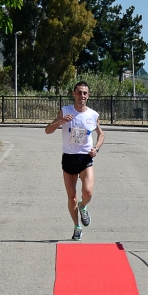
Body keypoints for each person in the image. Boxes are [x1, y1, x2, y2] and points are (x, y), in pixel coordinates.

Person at [45, 81, 104, 241]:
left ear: (88, 95)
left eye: (85, 93)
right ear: (74, 94)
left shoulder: (93, 115)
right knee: (72, 197)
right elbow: (47, 130)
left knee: (88, 192)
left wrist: (96, 148)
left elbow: (101, 134)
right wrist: (61, 122)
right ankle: (77, 226)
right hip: (69, 158)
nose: (82, 96)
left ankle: (83, 207)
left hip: (85, 157)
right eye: (79, 92)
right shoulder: (65, 111)